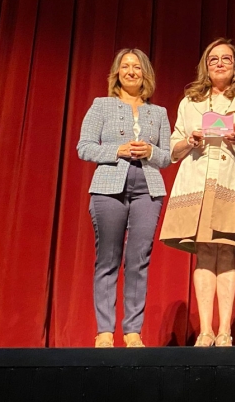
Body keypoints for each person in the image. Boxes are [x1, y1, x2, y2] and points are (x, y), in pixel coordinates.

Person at [160, 38, 235, 347]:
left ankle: (225, 331)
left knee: (226, 250)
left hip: (232, 180)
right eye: (213, 60)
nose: (219, 64)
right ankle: (206, 330)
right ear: (205, 67)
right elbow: (173, 147)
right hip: (198, 179)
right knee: (205, 252)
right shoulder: (190, 102)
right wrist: (190, 141)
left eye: (226, 59)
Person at [77, 48, 171, 348]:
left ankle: (133, 332)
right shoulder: (101, 106)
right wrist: (116, 150)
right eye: (125, 66)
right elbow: (84, 147)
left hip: (148, 190)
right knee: (108, 258)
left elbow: (167, 157)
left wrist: (151, 152)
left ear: (145, 73)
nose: (131, 71)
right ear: (117, 72)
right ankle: (105, 330)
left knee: (138, 260)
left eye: (137, 67)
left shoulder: (159, 113)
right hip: (108, 188)